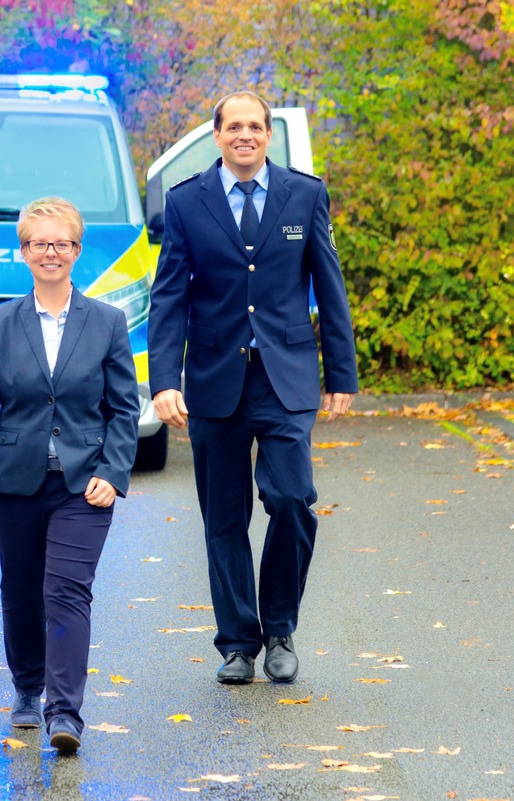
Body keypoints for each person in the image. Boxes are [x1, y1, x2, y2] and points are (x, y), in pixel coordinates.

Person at [147, 91, 358, 685]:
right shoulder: (187, 202)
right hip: (215, 382)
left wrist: (340, 373)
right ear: (217, 135)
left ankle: (280, 629)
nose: (245, 135)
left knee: (292, 501)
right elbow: (168, 299)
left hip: (286, 377)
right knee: (224, 517)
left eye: (255, 126)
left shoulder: (305, 194)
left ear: (269, 135)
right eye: (233, 126)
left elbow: (329, 286)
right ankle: (238, 642)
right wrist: (165, 381)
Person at [0, 197, 139, 753]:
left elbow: (125, 409)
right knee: (20, 590)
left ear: (78, 251)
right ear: (24, 253)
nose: (50, 252)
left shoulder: (107, 321)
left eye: (61, 243)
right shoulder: (0, 322)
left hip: (84, 484)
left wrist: (114, 471)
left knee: (66, 591)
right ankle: (27, 689)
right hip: (15, 481)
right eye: (39, 243)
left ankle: (65, 713)